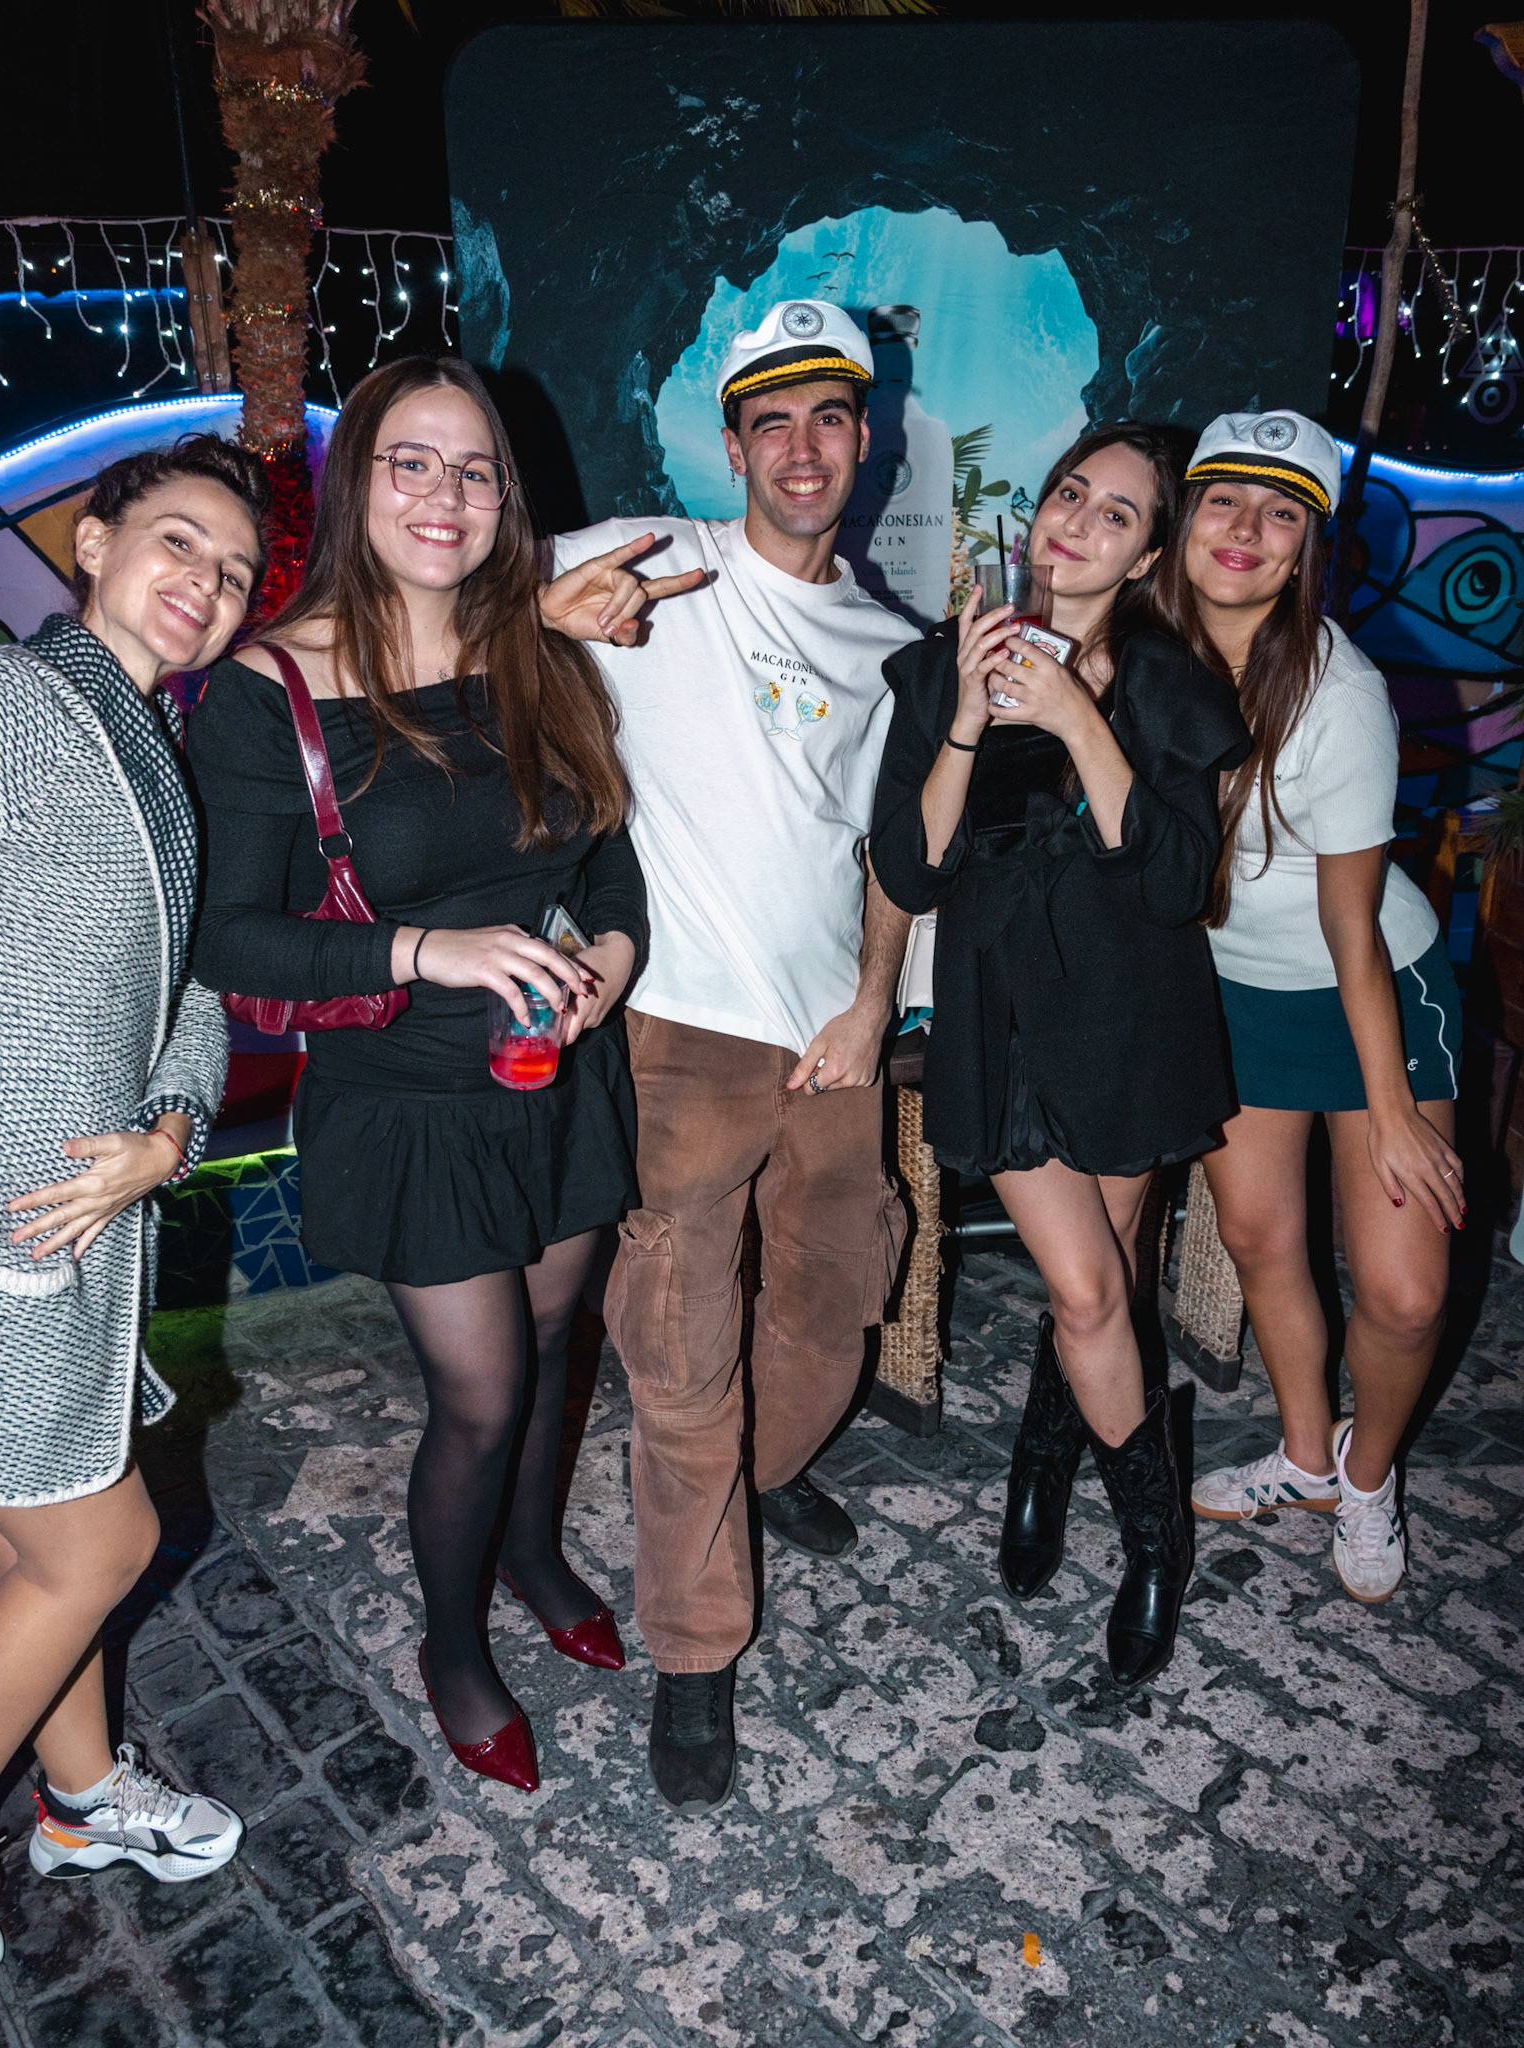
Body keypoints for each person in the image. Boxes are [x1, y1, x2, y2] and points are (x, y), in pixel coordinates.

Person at [189, 359, 693, 1792]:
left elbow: (606, 849)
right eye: (411, 461)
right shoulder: (267, 688)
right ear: (357, 480)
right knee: (480, 1394)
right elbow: (230, 937)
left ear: (504, 499)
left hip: (555, 1072)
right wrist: (429, 949)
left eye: (475, 470)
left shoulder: (535, 651)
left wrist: (609, 959)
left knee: (553, 1345)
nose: (445, 495)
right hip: (409, 1103)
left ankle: (532, 1550)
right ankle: (452, 1644)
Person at [544, 300, 913, 1811]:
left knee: (835, 1305)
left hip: (831, 1044)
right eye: (773, 421)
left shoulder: (890, 643)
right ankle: (696, 1642)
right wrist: (536, 615)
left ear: (865, 436)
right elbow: (420, 609)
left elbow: (892, 852)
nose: (801, 448)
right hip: (680, 1034)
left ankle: (753, 1481)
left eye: (828, 417)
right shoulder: (641, 556)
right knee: (682, 1352)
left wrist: (876, 1000)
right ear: (733, 442)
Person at [870, 422, 1252, 1691]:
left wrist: (1079, 717)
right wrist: (969, 717)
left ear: (1146, 558)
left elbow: (1174, 883)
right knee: (1088, 1290)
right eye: (1069, 493)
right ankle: (1157, 1543)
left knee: (1111, 1273)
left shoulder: (1168, 685)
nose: (1078, 521)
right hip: (1001, 1019)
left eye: (1117, 513)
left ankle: (1042, 1459)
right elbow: (911, 869)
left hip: (1132, 1018)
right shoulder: (943, 665)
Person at [0, 436, 267, 1966]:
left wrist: (172, 1131)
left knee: (22, 1551)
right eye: (177, 542)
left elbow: (196, 989)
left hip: (84, 1237)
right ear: (91, 544)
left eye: (233, 570)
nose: (206, 583)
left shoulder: (156, 748)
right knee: (96, 1545)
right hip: (6, 1242)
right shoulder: (13, 706)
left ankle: (83, 1796)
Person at [1168, 412, 1464, 1604]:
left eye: (1280, 511)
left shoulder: (1340, 693)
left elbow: (1351, 925)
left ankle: (1367, 1472)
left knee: (1404, 1290)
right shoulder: (1143, 650)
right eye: (1224, 500)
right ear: (1186, 519)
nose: (1246, 528)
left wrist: (1388, 1107)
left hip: (1370, 991)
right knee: (1258, 1239)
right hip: (1232, 991)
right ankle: (1302, 1453)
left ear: (1307, 547)